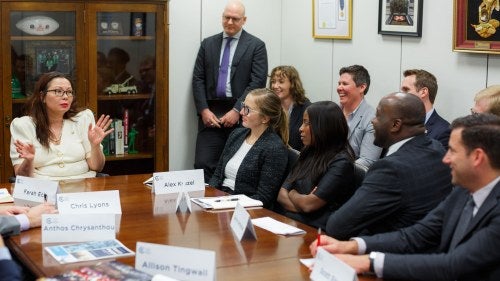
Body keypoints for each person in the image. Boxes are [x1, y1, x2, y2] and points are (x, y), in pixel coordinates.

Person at [310, 113, 500, 281]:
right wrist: (351, 247)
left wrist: (367, 262)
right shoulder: (464, 191)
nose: (445, 159)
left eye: (453, 151)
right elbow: (416, 235)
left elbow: (453, 265)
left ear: (477, 157)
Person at [325, 92, 453, 240]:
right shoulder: (437, 148)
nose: (373, 121)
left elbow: (337, 226)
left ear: (395, 125)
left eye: (378, 116)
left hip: (391, 252)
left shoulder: (390, 168)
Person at [193, 0, 268, 182]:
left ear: (244, 20)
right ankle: (205, 206)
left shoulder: (256, 46)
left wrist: (237, 110)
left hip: (243, 114)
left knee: (233, 168)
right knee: (203, 164)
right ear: (222, 17)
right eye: (227, 17)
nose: (230, 22)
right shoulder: (208, 44)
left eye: (235, 19)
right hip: (210, 113)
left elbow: (257, 83)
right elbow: (198, 79)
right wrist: (203, 110)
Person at [10, 71, 114, 180]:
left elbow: (97, 167)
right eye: (58, 91)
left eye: (69, 92)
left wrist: (95, 146)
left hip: (83, 186)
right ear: (42, 96)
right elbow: (22, 177)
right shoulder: (23, 125)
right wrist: (29, 160)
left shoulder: (83, 119)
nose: (65, 97)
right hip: (43, 189)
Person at [276, 101, 355, 229]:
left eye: (307, 123)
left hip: (316, 230)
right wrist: (301, 201)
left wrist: (293, 193)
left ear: (324, 127)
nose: (300, 128)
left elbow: (309, 205)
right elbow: (281, 194)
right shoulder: (308, 151)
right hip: (293, 222)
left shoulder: (341, 163)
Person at [208, 88, 288, 209]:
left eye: (248, 110)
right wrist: (208, 196)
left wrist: (227, 203)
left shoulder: (274, 148)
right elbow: (217, 175)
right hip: (219, 200)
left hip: (244, 209)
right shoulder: (237, 134)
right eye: (243, 106)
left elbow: (263, 197)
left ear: (265, 118)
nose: (241, 112)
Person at [337, 65, 382, 169]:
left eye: (344, 84)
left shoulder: (373, 119)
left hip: (348, 176)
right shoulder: (333, 111)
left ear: (362, 87)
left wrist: (335, 172)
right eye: (339, 83)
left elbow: (367, 160)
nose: (339, 88)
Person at [400, 69, 450, 149]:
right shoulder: (398, 123)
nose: (400, 95)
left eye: (406, 90)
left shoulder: (444, 131)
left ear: (423, 92)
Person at [269, 65, 311, 151]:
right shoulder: (270, 106)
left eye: (281, 82)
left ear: (292, 84)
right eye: (273, 82)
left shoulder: (306, 108)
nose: (275, 86)